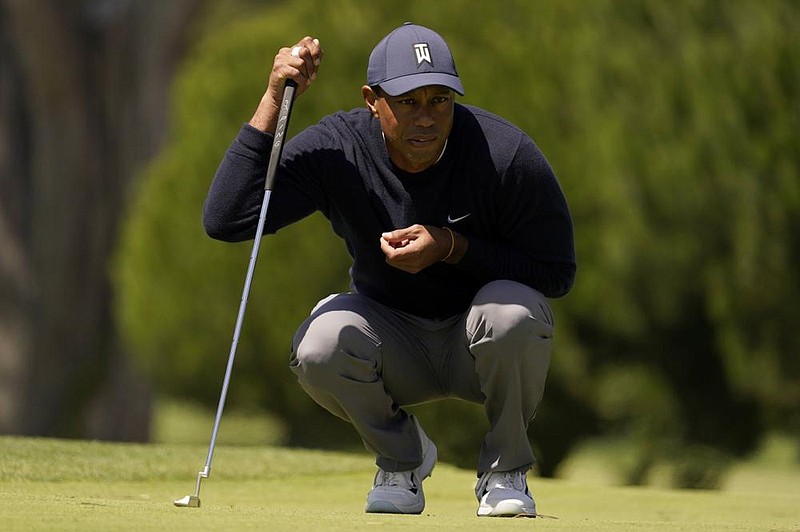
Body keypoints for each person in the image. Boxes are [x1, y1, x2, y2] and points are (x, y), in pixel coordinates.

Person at [203, 23, 576, 517]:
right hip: (390, 341)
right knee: (320, 346)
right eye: (407, 102)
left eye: (439, 100)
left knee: (515, 315)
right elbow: (227, 218)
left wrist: (452, 247)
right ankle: (403, 459)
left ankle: (505, 472)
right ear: (371, 99)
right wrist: (274, 97)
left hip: (478, 343)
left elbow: (556, 273)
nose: (426, 118)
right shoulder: (339, 149)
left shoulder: (504, 154)